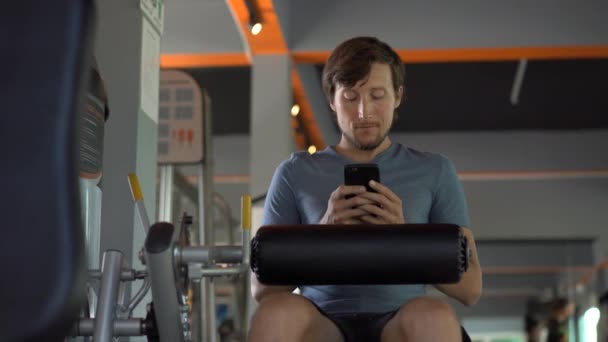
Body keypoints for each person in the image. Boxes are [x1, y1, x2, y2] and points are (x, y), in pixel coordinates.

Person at [247, 36, 482, 342]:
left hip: (401, 320)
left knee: (434, 315)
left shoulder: (435, 170)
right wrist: (323, 232)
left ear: (397, 96)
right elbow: (261, 289)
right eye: (350, 97)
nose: (363, 112)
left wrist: (403, 235)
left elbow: (471, 289)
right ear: (332, 100)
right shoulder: (295, 172)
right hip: (321, 321)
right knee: (275, 312)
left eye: (377, 95)